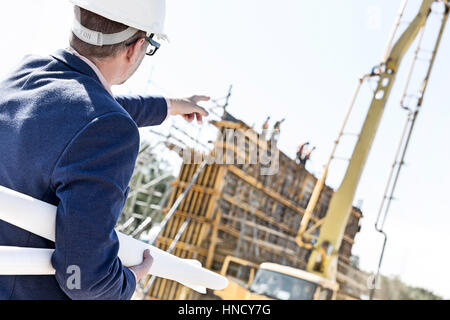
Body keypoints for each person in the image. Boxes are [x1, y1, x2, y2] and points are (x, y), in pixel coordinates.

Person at [0, 0, 209, 300]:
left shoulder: (24, 74)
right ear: (135, 48)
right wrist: (127, 282)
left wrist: (171, 106)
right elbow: (83, 280)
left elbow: (86, 110)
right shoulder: (106, 127)